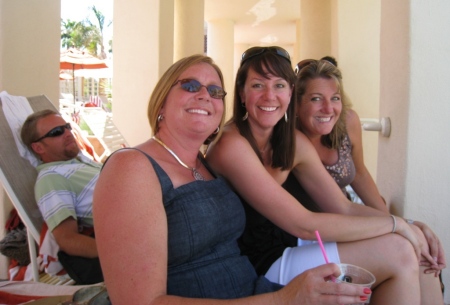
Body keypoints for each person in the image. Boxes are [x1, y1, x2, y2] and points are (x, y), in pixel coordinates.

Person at [92, 54, 371, 305]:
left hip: (257, 289)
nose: (204, 95)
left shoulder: (202, 166)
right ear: (162, 101)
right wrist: (284, 298)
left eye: (214, 91)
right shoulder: (132, 166)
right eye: (190, 85)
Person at [205, 46, 444, 304]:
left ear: (290, 93)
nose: (269, 96)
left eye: (279, 85)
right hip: (257, 261)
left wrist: (408, 224)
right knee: (399, 251)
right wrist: (397, 227)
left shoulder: (289, 140)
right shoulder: (231, 144)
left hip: (290, 245)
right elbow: (304, 224)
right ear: (241, 92)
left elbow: (344, 207)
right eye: (257, 85)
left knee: (418, 250)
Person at [294, 58, 446, 287]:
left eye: (335, 98)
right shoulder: (293, 141)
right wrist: (402, 224)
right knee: (404, 243)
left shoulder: (347, 121)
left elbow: (359, 174)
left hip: (348, 220)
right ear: (296, 104)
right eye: (316, 99)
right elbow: (339, 207)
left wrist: (402, 224)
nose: (328, 108)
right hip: (316, 232)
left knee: (415, 241)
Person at [21, 110, 103, 284]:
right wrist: (119, 253)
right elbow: (67, 239)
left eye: (66, 127)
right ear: (38, 148)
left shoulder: (77, 161)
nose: (68, 133)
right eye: (56, 132)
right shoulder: (51, 179)